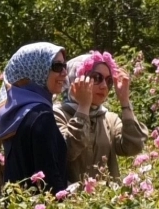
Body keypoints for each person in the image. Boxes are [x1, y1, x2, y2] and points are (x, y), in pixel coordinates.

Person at [54, 51, 149, 183]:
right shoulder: (57, 114)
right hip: (71, 202)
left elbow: (133, 147)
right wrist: (83, 107)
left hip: (105, 203)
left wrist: (125, 102)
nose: (104, 86)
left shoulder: (109, 119)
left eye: (109, 81)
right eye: (96, 78)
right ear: (75, 79)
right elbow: (68, 151)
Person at [0, 42, 69, 193]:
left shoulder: (16, 113)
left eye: (64, 65)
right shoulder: (41, 116)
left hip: (17, 207)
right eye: (56, 66)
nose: (64, 72)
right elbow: (49, 178)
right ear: (36, 69)